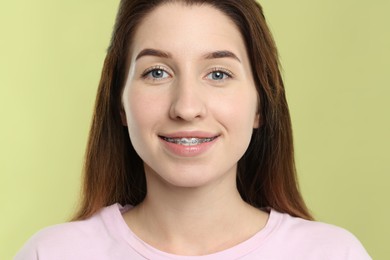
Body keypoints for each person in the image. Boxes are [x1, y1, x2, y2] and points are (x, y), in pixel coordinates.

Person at [15, 0, 371, 259]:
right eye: (157, 72)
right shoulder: (51, 253)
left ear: (260, 106)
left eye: (218, 73)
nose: (186, 107)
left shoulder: (333, 253)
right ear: (119, 104)